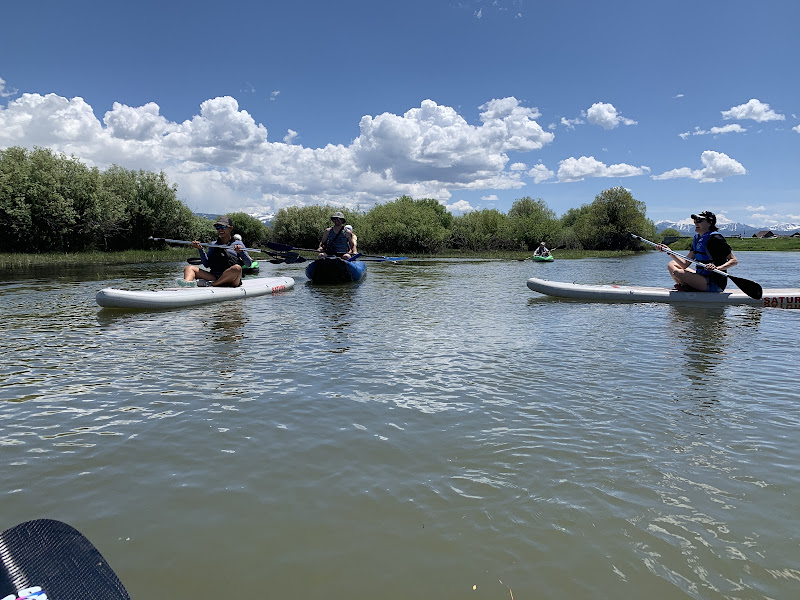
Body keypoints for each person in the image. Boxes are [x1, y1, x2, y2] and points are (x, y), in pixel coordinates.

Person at [658, 210, 738, 292]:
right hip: (701, 278)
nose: (696, 223)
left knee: (678, 273)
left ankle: (690, 288)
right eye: (695, 220)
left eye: (699, 220)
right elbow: (684, 264)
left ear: (709, 223)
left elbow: (734, 260)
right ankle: (690, 287)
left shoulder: (716, 239)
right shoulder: (697, 239)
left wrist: (718, 268)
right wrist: (669, 251)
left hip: (714, 283)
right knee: (672, 264)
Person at [180, 216, 252, 287]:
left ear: (230, 228)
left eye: (223, 227)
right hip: (214, 276)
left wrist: (241, 252)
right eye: (217, 227)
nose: (220, 230)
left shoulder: (238, 244)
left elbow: (248, 264)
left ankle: (213, 284)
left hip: (232, 279)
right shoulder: (213, 244)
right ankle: (187, 284)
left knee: (237, 268)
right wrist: (200, 249)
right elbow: (206, 264)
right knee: (189, 268)